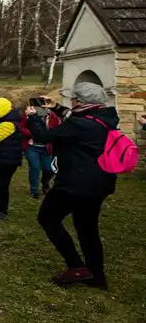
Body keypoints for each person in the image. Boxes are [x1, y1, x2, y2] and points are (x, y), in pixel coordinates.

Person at [26, 84, 120, 289]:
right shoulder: (105, 117)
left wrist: (32, 117)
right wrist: (56, 107)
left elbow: (43, 137)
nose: (72, 101)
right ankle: (97, 276)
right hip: (99, 182)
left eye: (74, 98)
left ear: (80, 101)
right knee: (87, 228)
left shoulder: (79, 123)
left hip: (74, 183)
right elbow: (76, 117)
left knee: (48, 218)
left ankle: (76, 266)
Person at [19, 99, 60, 199]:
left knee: (49, 169)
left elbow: (56, 128)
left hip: (46, 148)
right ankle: (34, 191)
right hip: (32, 147)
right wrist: (30, 133)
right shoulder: (26, 115)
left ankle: (45, 183)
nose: (39, 108)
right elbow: (20, 127)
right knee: (35, 168)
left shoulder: (51, 116)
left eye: (42, 106)